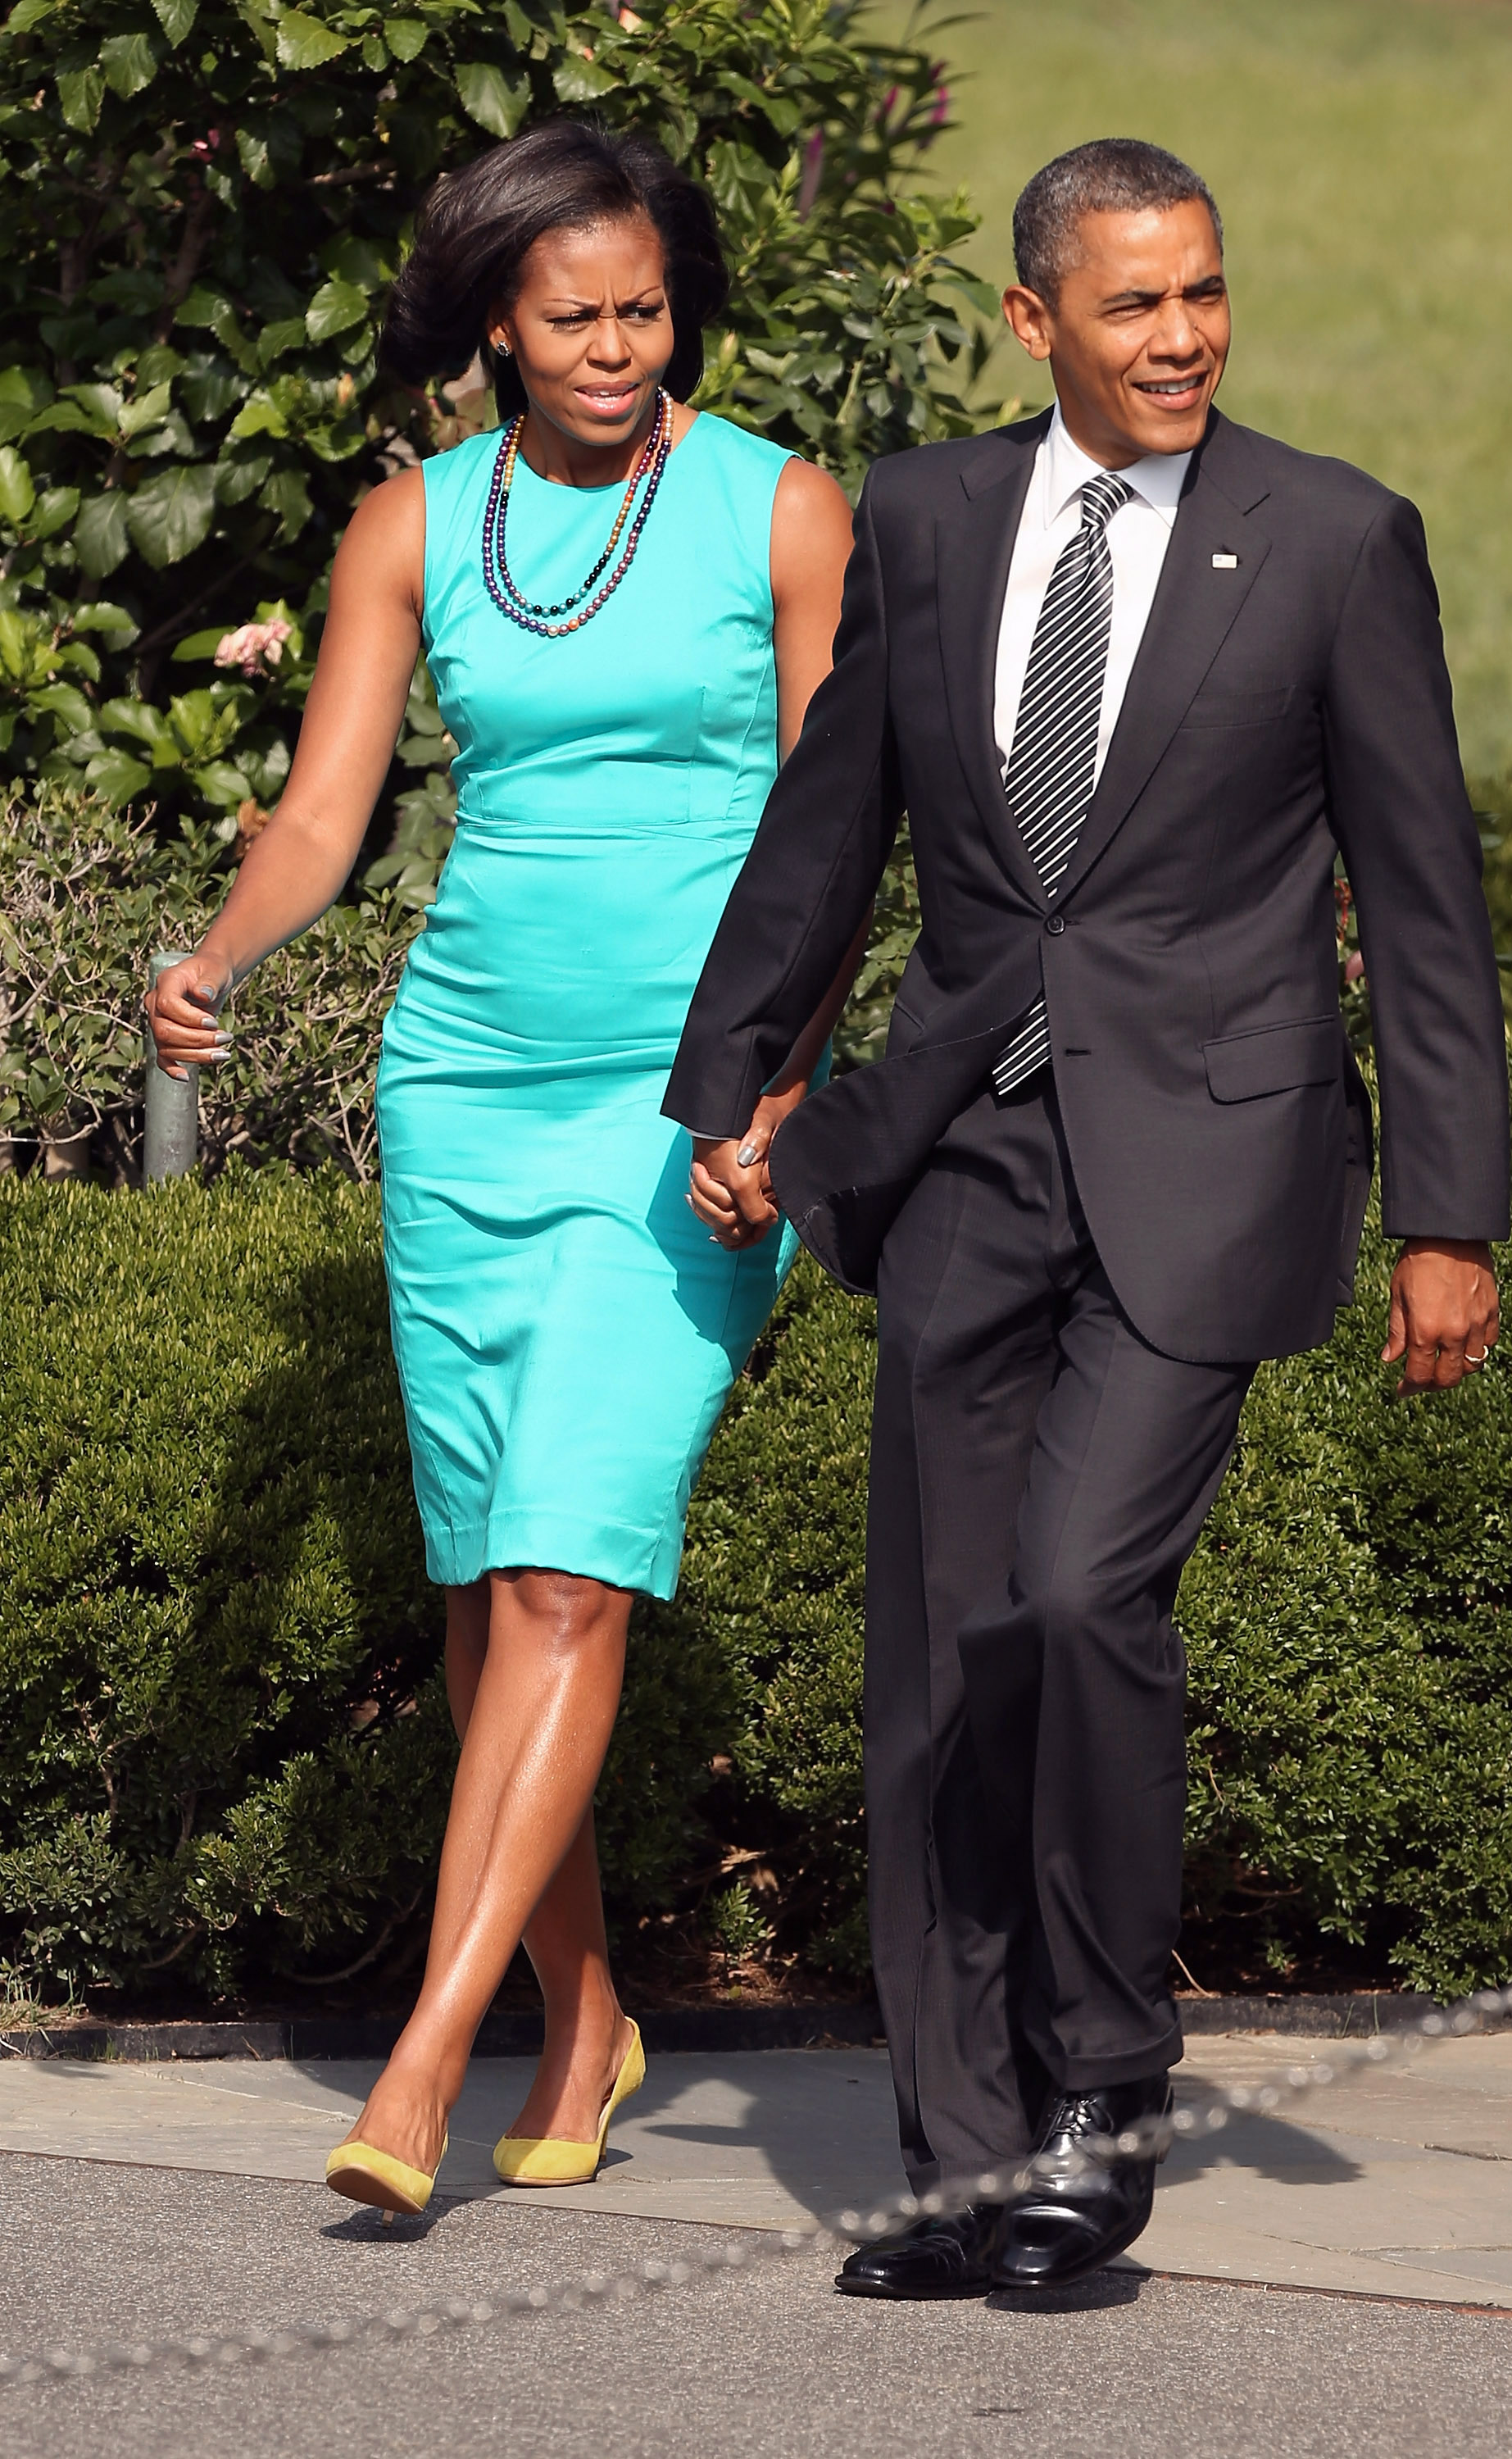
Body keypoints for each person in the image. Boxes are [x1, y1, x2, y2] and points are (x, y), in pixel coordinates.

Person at [667, 139, 1509, 2298]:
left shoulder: (1331, 542)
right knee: (942, 1673)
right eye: (1134, 307)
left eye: (1206, 295)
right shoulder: (938, 519)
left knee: (1070, 1601)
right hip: (965, 1150)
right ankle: (959, 2161)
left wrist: (1449, 1209)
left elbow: (1424, 899)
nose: (1183, 339)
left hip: (1208, 1159)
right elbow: (834, 809)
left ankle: (1097, 2102)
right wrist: (742, 1071)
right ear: (1036, 319)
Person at [146, 120, 856, 2219]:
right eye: (574, 316)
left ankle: (424, 2065)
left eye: (644, 309)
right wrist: (215, 955)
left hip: (684, 1105)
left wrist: (777, 1098)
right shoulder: (413, 525)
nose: (617, 347)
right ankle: (587, 2006)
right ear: (494, 324)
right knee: (486, 1591)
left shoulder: (780, 511)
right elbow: (322, 817)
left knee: (566, 1567)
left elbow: (829, 851)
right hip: (460, 1093)